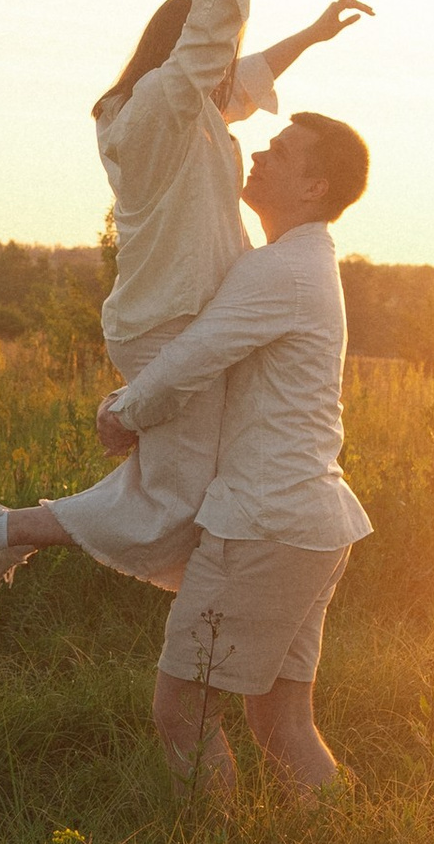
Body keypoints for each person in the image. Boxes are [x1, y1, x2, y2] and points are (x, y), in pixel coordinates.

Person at [0, 0, 369, 619]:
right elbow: (220, 10)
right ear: (183, 54)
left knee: (181, 483)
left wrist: (315, 32)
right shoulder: (161, 109)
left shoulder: (178, 109)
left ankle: (7, 539)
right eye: (212, 60)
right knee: (175, 496)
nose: (230, 79)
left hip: (172, 311)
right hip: (172, 320)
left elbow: (249, 66)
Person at [98, 106, 374, 804]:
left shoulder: (283, 269)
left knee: (182, 712)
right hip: (306, 524)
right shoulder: (299, 264)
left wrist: (121, 412)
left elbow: (192, 358)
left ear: (314, 188)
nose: (259, 153)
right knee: (280, 722)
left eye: (280, 151)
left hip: (267, 522)